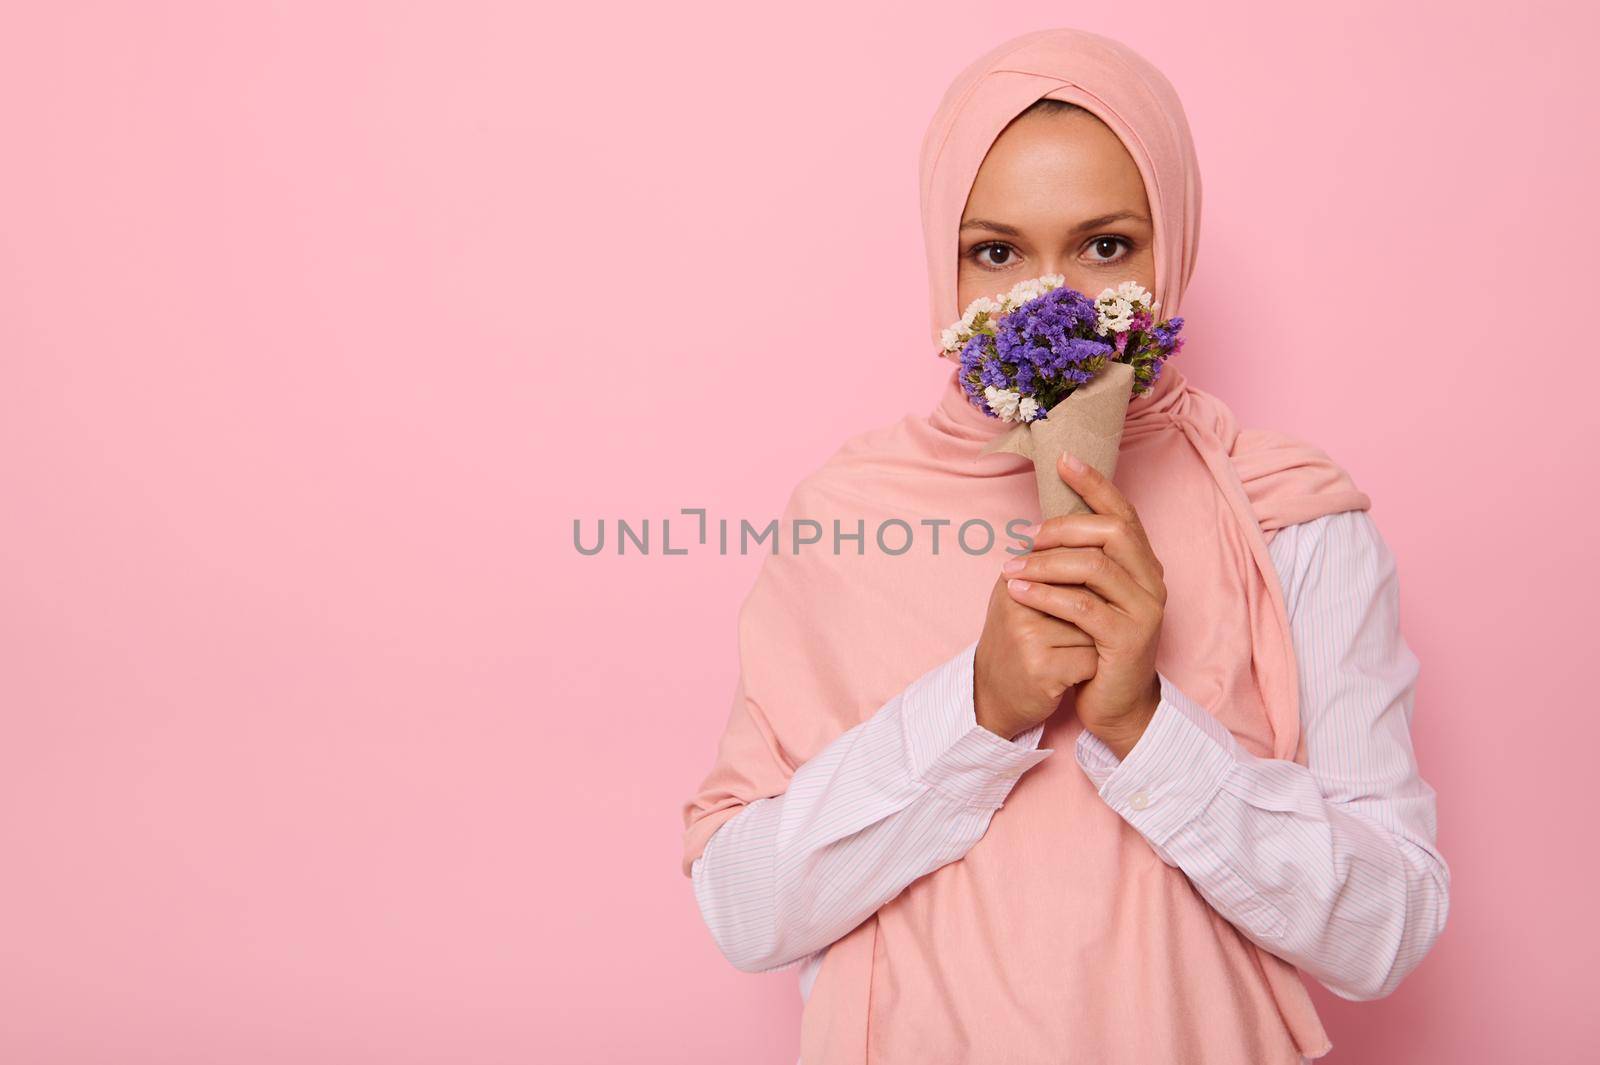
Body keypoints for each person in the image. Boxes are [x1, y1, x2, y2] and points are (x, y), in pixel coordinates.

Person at [679, 27, 1448, 1065]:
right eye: (995, 252)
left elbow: (1388, 929)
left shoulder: (1286, 516)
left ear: (1168, 246)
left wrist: (1145, 724)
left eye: (1104, 245)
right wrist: (977, 711)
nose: (1052, 300)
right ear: (942, 265)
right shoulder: (849, 514)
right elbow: (743, 906)